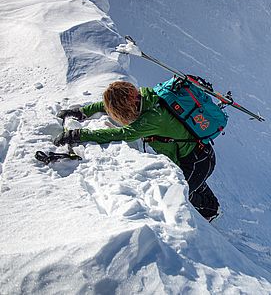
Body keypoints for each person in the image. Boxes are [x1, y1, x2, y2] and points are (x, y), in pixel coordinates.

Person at [54, 80, 220, 221]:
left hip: (198, 161)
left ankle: (209, 215)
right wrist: (84, 111)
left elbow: (123, 134)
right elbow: (110, 104)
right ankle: (212, 205)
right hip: (199, 154)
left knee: (180, 196)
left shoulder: (152, 118)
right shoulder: (147, 97)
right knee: (194, 184)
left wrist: (80, 135)